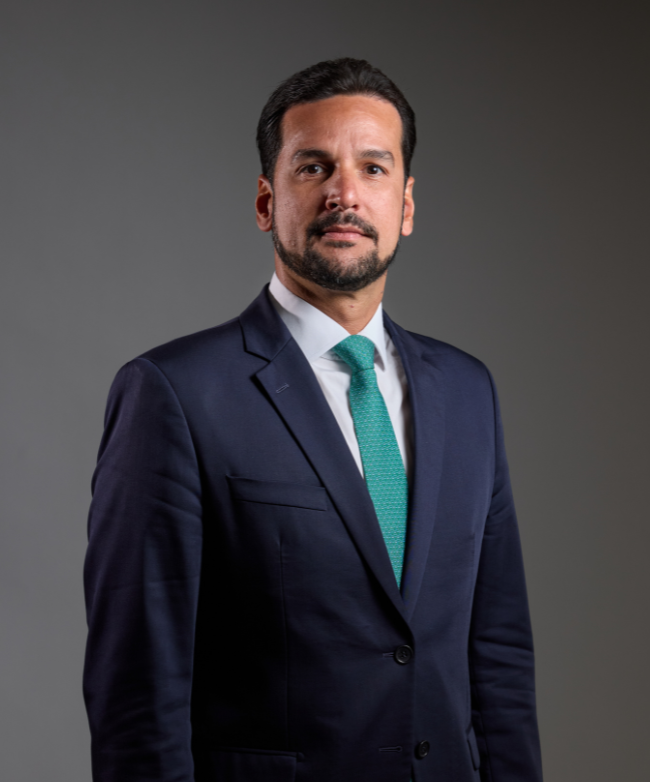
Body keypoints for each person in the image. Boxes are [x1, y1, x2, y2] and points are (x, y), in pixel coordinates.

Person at [83, 58, 543, 782]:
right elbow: (136, 694)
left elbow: (500, 655)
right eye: (313, 167)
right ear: (266, 202)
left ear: (407, 205)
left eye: (373, 168)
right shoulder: (174, 394)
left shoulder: (467, 391)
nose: (344, 194)